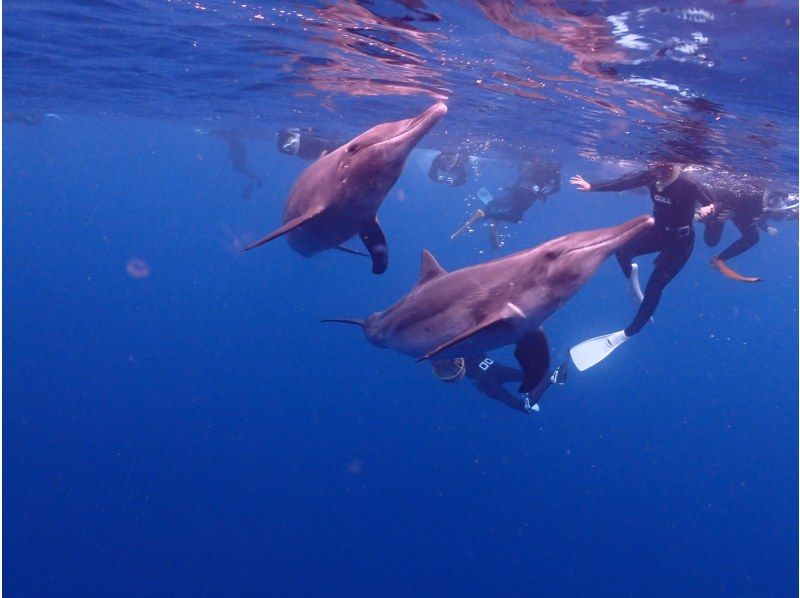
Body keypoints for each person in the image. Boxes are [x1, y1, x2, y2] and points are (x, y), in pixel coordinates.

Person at [567, 163, 717, 371]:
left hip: (680, 242)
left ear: (675, 167)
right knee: (622, 250)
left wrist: (708, 209)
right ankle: (631, 279)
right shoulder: (652, 176)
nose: (659, 177)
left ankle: (629, 332)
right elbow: (624, 182)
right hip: (657, 233)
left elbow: (710, 202)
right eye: (655, 170)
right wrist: (592, 186)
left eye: (663, 171)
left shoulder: (688, 184)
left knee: (654, 287)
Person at [451, 155, 562, 249]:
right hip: (530, 194)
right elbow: (556, 189)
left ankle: (492, 213)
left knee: (502, 203)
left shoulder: (539, 166)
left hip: (520, 188)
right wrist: (543, 193)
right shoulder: (555, 171)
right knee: (516, 217)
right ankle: (486, 215)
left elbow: (523, 176)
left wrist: (509, 188)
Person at [702, 185, 798, 282]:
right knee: (711, 242)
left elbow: (784, 215)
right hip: (728, 208)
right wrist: (718, 208)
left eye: (776, 201)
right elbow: (725, 194)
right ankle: (702, 216)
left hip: (741, 213)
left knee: (753, 238)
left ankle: (720, 259)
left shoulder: (778, 208)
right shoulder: (753, 194)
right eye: (771, 198)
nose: (771, 202)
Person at [432, 354, 568, 414]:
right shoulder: (454, 355)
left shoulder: (459, 348)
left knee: (520, 381)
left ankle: (551, 378)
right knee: (511, 396)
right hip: (487, 375)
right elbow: (454, 375)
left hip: (489, 373)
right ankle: (549, 379)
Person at [212, 130, 262, 200]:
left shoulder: (238, 168)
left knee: (231, 139)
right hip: (238, 152)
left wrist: (255, 181)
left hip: (238, 152)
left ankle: (225, 133)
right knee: (231, 139)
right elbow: (248, 173)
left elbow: (248, 173)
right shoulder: (239, 168)